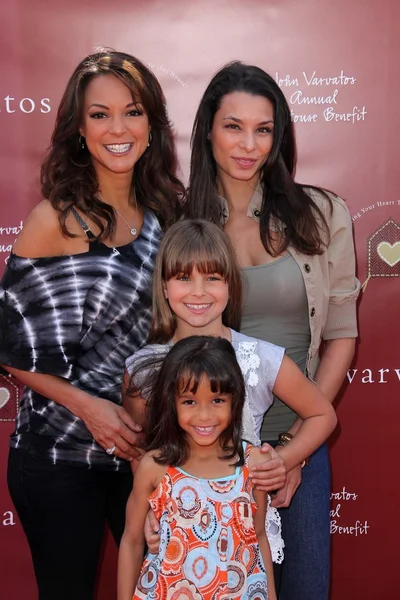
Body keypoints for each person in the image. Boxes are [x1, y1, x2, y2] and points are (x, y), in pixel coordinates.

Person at [0, 49, 184, 600]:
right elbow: (9, 348)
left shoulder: (165, 215)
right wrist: (90, 408)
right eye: (99, 115)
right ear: (79, 130)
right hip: (59, 458)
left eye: (132, 112)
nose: (117, 128)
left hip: (142, 453)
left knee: (164, 587)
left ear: (152, 125)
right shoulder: (52, 220)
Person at [184, 61, 360, 599]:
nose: (249, 144)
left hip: (299, 443)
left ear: (278, 136)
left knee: (305, 589)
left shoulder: (322, 213)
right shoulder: (178, 221)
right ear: (208, 130)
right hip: (203, 451)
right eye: (233, 126)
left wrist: (292, 452)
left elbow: (341, 335)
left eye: (264, 129)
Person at [123, 219, 337, 570]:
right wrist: (147, 503)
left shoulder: (261, 357)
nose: (198, 292)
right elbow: (141, 446)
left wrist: (284, 459)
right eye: (183, 278)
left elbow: (322, 414)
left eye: (212, 278)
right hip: (176, 533)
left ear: (230, 284)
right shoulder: (143, 367)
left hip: (244, 535)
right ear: (163, 286)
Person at [119, 335, 278, 600]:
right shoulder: (155, 467)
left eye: (217, 400)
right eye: (190, 401)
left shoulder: (254, 465)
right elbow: (132, 541)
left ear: (234, 400)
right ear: (172, 402)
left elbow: (259, 536)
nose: (204, 416)